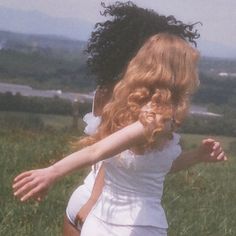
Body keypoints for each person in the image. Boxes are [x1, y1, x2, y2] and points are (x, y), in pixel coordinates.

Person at [13, 32, 227, 236]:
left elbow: (152, 169)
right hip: (135, 227)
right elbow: (96, 152)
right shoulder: (154, 120)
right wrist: (51, 172)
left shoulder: (131, 111)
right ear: (177, 74)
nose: (194, 74)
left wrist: (197, 155)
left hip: (101, 223)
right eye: (191, 67)